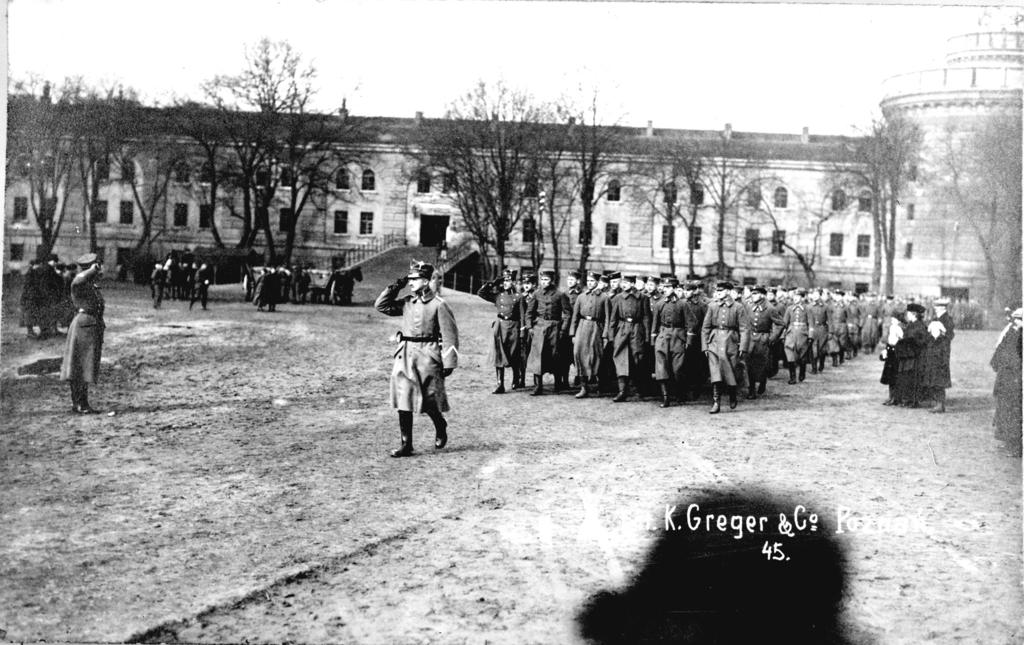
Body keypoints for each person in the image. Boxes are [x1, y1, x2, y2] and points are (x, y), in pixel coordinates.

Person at [375, 261, 459, 457]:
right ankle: (406, 445)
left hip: (428, 353)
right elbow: (381, 305)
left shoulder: (439, 305)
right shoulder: (406, 302)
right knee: (403, 396)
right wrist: (397, 285)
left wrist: (449, 362)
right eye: (409, 279)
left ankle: (440, 424)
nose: (411, 282)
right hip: (405, 352)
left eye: (415, 279)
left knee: (429, 398)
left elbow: (450, 335)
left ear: (426, 281)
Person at [60, 254, 105, 414]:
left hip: (90, 326)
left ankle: (82, 402)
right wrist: (93, 269)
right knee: (78, 366)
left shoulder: (90, 285)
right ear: (90, 267)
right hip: (83, 326)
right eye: (96, 266)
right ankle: (79, 403)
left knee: (85, 366)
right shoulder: (79, 282)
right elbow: (79, 279)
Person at [701, 281, 750, 413]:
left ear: (728, 292)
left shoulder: (738, 307)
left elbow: (744, 329)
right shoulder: (712, 306)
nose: (718, 294)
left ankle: (732, 393)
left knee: (731, 371)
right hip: (714, 341)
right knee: (715, 371)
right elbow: (706, 327)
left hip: (731, 342)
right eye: (717, 291)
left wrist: (743, 347)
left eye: (721, 291)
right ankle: (716, 402)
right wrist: (705, 346)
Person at [525, 269, 571, 395]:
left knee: (555, 354)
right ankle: (538, 386)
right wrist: (529, 327)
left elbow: (567, 313)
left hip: (554, 328)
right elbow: (529, 313)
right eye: (542, 280)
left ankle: (557, 384)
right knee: (537, 356)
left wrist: (563, 329)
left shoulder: (559, 295)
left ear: (552, 281)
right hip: (539, 327)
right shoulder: (536, 294)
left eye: (547, 280)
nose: (544, 282)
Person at [477, 268, 523, 394]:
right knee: (499, 354)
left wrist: (522, 329)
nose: (505, 284)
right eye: (504, 281)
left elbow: (523, 315)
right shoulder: (498, 296)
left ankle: (516, 379)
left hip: (514, 326)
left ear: (513, 282)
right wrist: (493, 283)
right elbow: (481, 293)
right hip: (500, 326)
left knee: (514, 354)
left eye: (508, 281)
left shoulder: (519, 297)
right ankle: (500, 384)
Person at [607, 274, 651, 402]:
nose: (623, 285)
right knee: (620, 357)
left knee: (638, 357)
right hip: (622, 328)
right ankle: (622, 391)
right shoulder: (618, 298)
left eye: (626, 283)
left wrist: (647, 336)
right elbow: (613, 318)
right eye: (623, 283)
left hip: (637, 329)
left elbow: (646, 318)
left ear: (632, 284)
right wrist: (611, 335)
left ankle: (637, 388)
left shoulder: (643, 298)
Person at [570, 271, 611, 399]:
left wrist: (605, 335)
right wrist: (573, 334)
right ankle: (583, 387)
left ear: (598, 283)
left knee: (595, 356)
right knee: (578, 354)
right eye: (588, 281)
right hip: (582, 327)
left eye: (592, 281)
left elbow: (607, 319)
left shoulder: (604, 297)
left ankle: (599, 384)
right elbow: (575, 317)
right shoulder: (581, 297)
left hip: (596, 328)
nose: (590, 283)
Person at [650, 277, 687, 407]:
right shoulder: (659, 304)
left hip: (678, 336)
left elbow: (690, 323)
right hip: (663, 336)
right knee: (661, 367)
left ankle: (679, 393)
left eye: (669, 287)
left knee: (678, 368)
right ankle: (665, 397)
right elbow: (654, 323)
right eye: (664, 287)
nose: (665, 290)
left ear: (675, 289)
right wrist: (654, 340)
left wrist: (688, 341)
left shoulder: (682, 304)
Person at [991, 308, 1022, 456]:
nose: (1015, 323)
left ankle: (1016, 446)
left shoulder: (1018, 335)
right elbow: (1000, 352)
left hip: (1014, 378)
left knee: (1014, 412)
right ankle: (1008, 440)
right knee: (1005, 409)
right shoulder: (1012, 333)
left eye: (1018, 320)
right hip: (1006, 377)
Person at [745, 286, 781, 398]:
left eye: (755, 294)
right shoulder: (749, 306)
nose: (753, 296)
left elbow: (780, 324)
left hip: (763, 338)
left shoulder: (770, 308)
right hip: (750, 339)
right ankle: (751, 389)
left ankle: (762, 381)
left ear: (762, 295)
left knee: (762, 363)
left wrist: (772, 337)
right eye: (752, 293)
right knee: (749, 364)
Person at [920, 297, 955, 413]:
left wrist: (940, 336)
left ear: (942, 308)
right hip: (934, 351)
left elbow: (950, 336)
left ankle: (940, 404)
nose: (935, 309)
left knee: (939, 377)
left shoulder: (947, 320)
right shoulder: (937, 319)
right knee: (934, 376)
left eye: (937, 307)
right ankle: (937, 402)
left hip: (941, 353)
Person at [891, 304, 928, 407]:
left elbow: (923, 341)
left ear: (913, 314)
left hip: (915, 356)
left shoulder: (920, 325)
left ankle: (914, 400)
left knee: (914, 378)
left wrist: (912, 343)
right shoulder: (911, 325)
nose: (907, 315)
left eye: (908, 313)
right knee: (907, 377)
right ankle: (907, 399)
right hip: (907, 355)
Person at [780, 288, 813, 384]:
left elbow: (811, 323)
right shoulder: (789, 308)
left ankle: (802, 373)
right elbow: (784, 323)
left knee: (802, 355)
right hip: (791, 333)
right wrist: (782, 335)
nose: (795, 298)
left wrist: (810, 336)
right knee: (790, 354)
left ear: (802, 298)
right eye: (794, 296)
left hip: (803, 334)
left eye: (798, 297)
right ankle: (792, 377)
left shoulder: (807, 308)